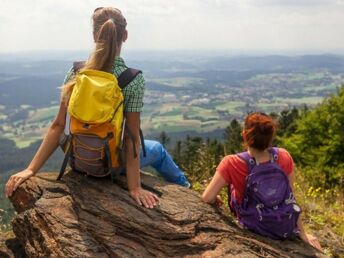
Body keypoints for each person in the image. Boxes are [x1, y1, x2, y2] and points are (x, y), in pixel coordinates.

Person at [5, 7, 188, 208]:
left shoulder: (76, 72)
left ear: (94, 35)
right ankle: (187, 189)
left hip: (78, 160)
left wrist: (31, 169)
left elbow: (58, 126)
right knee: (158, 150)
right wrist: (134, 187)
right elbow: (131, 137)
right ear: (125, 36)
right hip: (111, 165)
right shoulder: (132, 80)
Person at [201, 112, 322, 251]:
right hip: (283, 226)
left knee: (235, 189)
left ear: (244, 135)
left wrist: (215, 197)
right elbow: (291, 197)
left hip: (254, 226)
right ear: (270, 137)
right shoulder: (284, 156)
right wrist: (302, 232)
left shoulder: (232, 162)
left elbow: (207, 198)